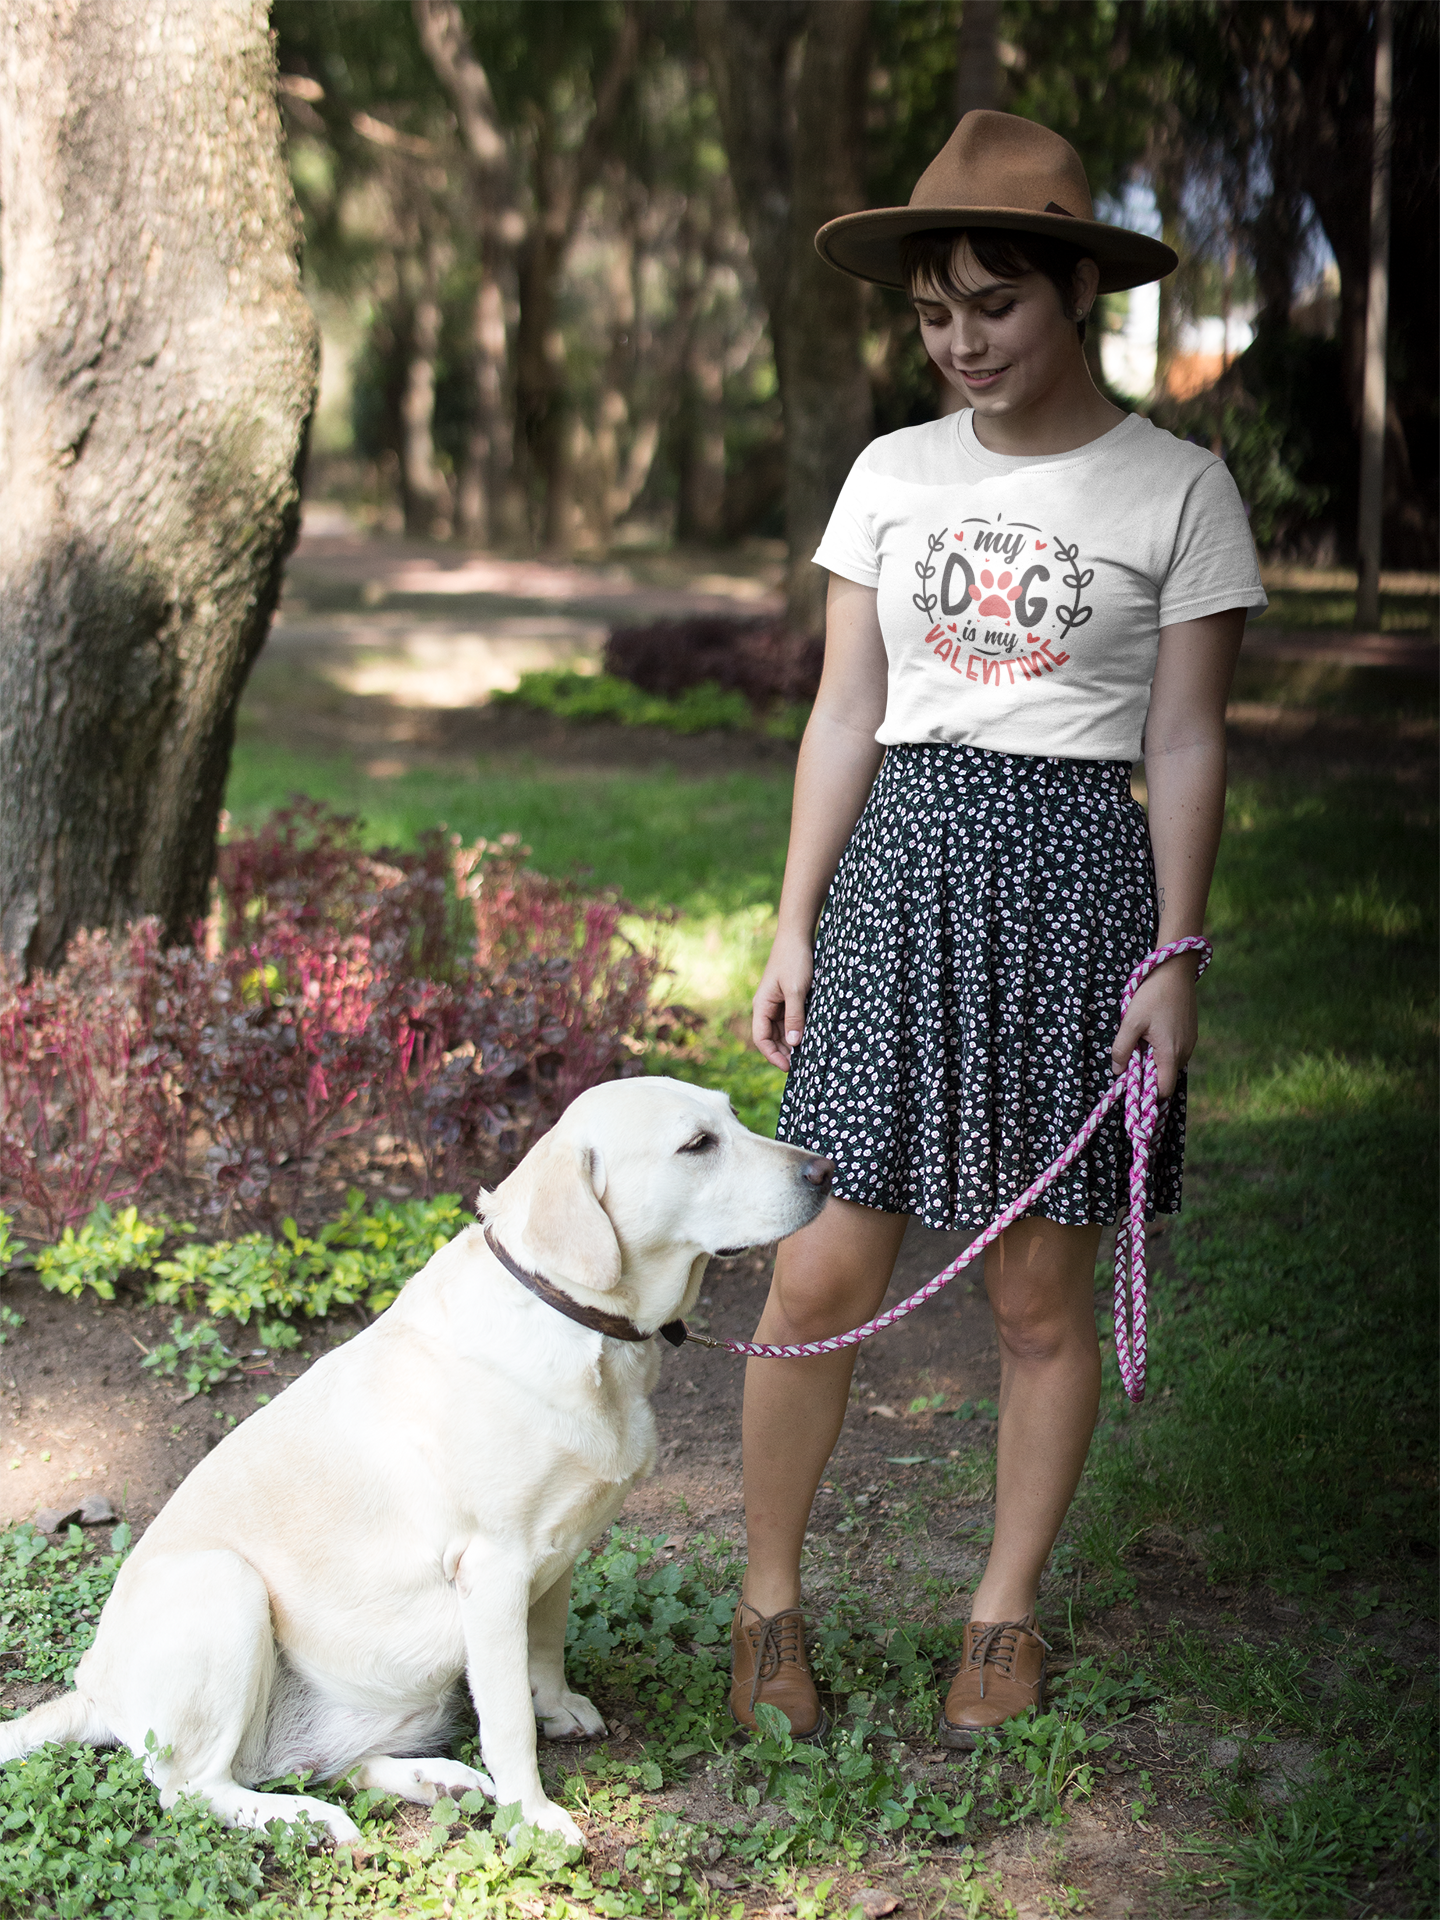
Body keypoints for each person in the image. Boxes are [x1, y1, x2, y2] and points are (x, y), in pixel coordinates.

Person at [729, 112, 1266, 1748]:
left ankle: (1001, 1614)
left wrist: (1174, 954)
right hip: (900, 881)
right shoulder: (892, 474)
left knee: (1037, 1298)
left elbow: (1184, 740)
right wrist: (795, 922)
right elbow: (844, 712)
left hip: (1075, 901)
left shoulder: (1178, 488)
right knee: (818, 1270)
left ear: (1075, 295)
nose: (963, 340)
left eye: (996, 304)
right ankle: (767, 1611)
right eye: (934, 311)